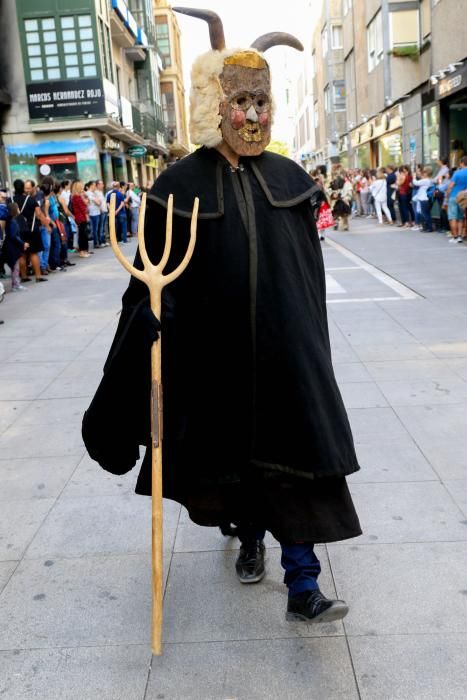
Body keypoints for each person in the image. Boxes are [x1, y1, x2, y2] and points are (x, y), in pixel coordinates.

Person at [83, 9, 362, 625]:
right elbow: (148, 283)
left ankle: (303, 584)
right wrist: (149, 328)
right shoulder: (177, 186)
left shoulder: (290, 179)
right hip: (215, 359)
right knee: (234, 467)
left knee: (294, 467)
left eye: (262, 103)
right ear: (214, 104)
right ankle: (249, 538)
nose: (255, 116)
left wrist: (312, 347)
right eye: (242, 103)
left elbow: (307, 280)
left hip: (284, 356)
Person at [12, 179, 47, 282]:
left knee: (22, 254)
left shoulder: (10, 200)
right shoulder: (30, 199)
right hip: (31, 229)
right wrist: (47, 225)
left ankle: (24, 276)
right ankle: (38, 276)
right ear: (23, 188)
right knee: (33, 253)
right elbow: (39, 214)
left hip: (17, 230)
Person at [1, 202, 29, 291]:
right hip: (12, 246)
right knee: (15, 267)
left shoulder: (10, 219)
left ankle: (15, 284)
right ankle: (16, 285)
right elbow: (13, 236)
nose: (19, 209)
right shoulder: (12, 221)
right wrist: (22, 243)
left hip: (10, 245)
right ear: (15, 210)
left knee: (14, 266)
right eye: (18, 208)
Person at [446, 156, 467, 243]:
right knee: (461, 218)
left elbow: (451, 186)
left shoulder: (457, 173)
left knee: (452, 217)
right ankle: (460, 236)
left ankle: (454, 237)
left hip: (454, 196)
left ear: (462, 163)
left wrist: (448, 195)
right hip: (464, 198)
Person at [71, 180, 90, 258]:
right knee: (82, 235)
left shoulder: (77, 196)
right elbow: (83, 207)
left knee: (84, 234)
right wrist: (86, 214)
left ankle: (84, 250)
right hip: (80, 217)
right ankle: (82, 251)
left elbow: (86, 203)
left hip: (81, 217)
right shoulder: (76, 197)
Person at [412, 165, 434, 232]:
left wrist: (414, 177)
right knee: (425, 213)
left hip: (423, 199)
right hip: (425, 199)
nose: (423, 173)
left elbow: (416, 183)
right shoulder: (429, 180)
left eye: (424, 172)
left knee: (425, 214)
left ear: (426, 173)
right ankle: (426, 227)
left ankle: (429, 228)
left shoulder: (426, 180)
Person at [96, 180, 109, 246]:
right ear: (97, 185)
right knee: (101, 227)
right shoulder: (96, 192)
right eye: (101, 184)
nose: (103, 185)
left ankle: (104, 240)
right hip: (101, 212)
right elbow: (98, 203)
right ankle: (101, 241)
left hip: (105, 211)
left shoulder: (101, 192)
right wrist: (100, 210)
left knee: (104, 227)